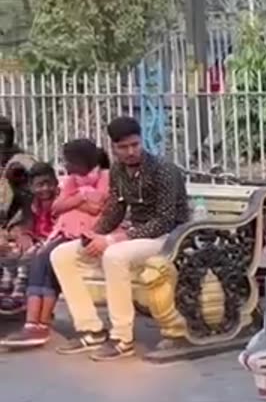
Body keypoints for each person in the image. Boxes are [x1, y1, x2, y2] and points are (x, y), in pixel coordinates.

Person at [52, 116, 189, 361]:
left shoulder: (165, 170)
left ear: (141, 141)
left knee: (114, 255)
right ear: (113, 148)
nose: (131, 151)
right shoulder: (117, 170)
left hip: (169, 237)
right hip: (135, 237)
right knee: (61, 254)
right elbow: (116, 208)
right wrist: (97, 233)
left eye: (135, 145)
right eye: (123, 147)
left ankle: (122, 338)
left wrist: (114, 240)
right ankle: (91, 329)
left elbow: (165, 220)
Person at [4, 141, 111, 347]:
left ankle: (38, 325)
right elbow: (57, 207)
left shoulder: (105, 177)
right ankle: (34, 324)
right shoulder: (71, 180)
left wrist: (76, 200)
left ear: (83, 161)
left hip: (89, 232)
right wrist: (81, 198)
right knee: (40, 259)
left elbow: (98, 207)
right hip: (65, 231)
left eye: (69, 161)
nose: (66, 166)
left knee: (45, 258)